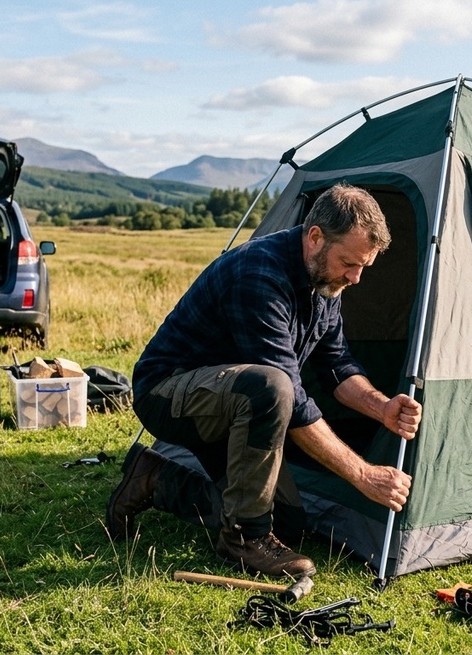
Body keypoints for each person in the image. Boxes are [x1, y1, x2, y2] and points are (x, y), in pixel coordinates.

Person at [106, 183, 421, 578]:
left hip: (234, 405)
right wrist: (364, 475)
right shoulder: (259, 274)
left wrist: (383, 408)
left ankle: (154, 479)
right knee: (273, 388)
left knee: (286, 524)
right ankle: (243, 541)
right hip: (168, 395)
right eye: (349, 263)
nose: (356, 278)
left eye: (363, 266)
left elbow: (336, 364)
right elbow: (284, 392)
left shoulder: (326, 281)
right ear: (315, 237)